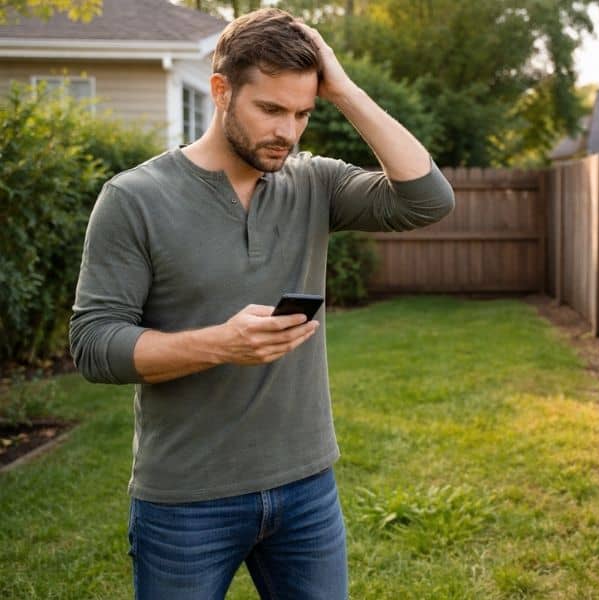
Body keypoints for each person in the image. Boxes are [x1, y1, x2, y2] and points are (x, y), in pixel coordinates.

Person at [69, 7, 454, 599]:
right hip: (185, 503)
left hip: (307, 491)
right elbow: (94, 345)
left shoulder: (315, 183)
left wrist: (344, 89)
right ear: (221, 91)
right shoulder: (133, 198)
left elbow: (427, 199)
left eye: (303, 113)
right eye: (270, 109)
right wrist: (220, 344)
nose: (288, 132)